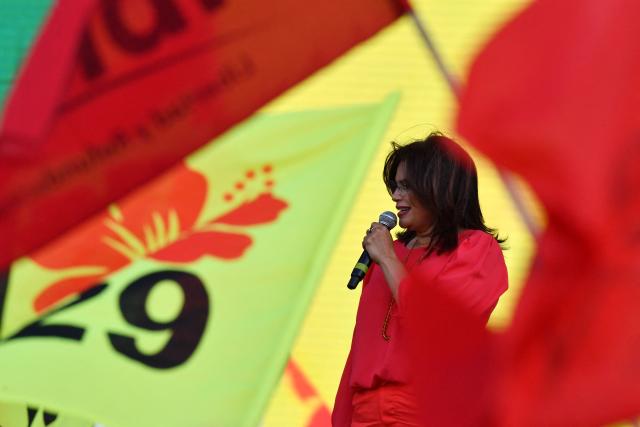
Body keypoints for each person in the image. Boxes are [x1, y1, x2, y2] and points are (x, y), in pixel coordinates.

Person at [332, 132, 508, 426]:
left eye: (405, 186)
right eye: (394, 187)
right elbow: (360, 351)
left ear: (438, 187)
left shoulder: (475, 249)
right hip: (364, 412)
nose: (395, 196)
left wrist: (387, 258)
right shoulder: (389, 253)